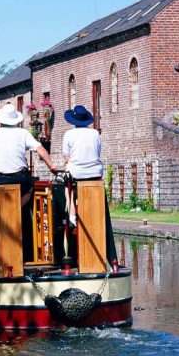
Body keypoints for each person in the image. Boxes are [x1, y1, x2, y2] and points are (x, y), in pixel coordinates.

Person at [61, 104, 117, 265]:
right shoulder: (95, 133)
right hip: (95, 173)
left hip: (77, 174)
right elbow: (97, 153)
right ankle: (97, 215)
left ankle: (72, 215)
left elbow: (66, 157)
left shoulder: (68, 134)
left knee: (67, 186)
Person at [0, 103, 58, 203]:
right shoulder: (23, 133)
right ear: (15, 120)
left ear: (0, 120)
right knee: (29, 188)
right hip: (19, 178)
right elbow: (40, 149)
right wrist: (51, 166)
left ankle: (8, 209)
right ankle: (18, 207)